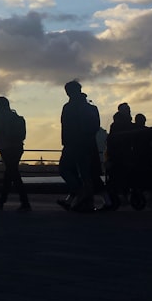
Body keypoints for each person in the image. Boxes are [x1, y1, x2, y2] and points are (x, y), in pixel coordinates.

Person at [57, 81, 101, 212]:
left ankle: (80, 192)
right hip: (88, 144)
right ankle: (88, 203)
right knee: (86, 173)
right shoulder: (90, 106)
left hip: (72, 143)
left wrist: (66, 142)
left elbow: (66, 127)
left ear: (68, 92)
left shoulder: (69, 107)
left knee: (64, 168)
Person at [0, 96, 30, 211]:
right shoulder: (14, 115)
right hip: (18, 146)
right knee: (11, 172)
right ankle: (3, 200)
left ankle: (23, 201)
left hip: (5, 147)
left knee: (13, 173)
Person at [106, 103, 134, 204]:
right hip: (120, 154)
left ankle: (119, 196)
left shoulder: (116, 124)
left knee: (118, 176)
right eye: (127, 109)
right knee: (121, 175)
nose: (129, 110)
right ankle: (121, 195)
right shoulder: (125, 124)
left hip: (118, 154)